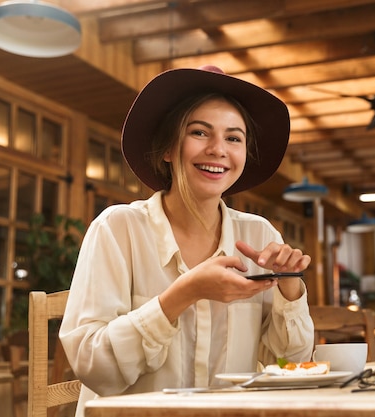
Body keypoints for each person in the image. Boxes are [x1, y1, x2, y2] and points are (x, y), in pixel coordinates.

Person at [59, 65, 315, 417]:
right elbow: (94, 367)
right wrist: (183, 293)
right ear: (167, 149)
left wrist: (289, 289)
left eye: (234, 138)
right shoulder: (117, 228)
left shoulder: (260, 235)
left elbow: (290, 362)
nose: (218, 149)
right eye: (199, 132)